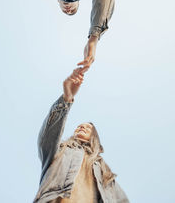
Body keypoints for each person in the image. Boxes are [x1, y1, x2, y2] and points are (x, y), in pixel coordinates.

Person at [33, 68, 130, 202]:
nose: (82, 127)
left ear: (94, 137)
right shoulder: (62, 149)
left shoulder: (104, 170)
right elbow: (47, 138)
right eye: (79, 126)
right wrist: (66, 98)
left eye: (88, 127)